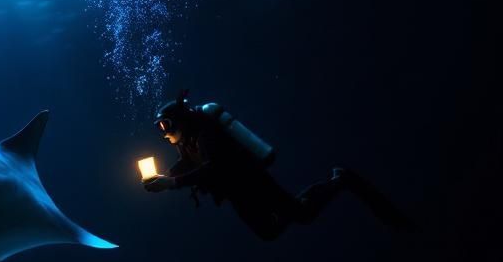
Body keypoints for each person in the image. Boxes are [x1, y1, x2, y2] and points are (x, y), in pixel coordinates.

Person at [143, 91, 412, 240]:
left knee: (300, 215)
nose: (163, 132)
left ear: (180, 119)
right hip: (238, 192)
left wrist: (172, 182)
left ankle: (339, 179)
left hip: (252, 180)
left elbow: (215, 167)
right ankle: (324, 187)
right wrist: (166, 175)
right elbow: (189, 162)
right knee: (269, 231)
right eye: (159, 127)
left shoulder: (205, 133)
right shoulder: (188, 141)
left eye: (166, 125)